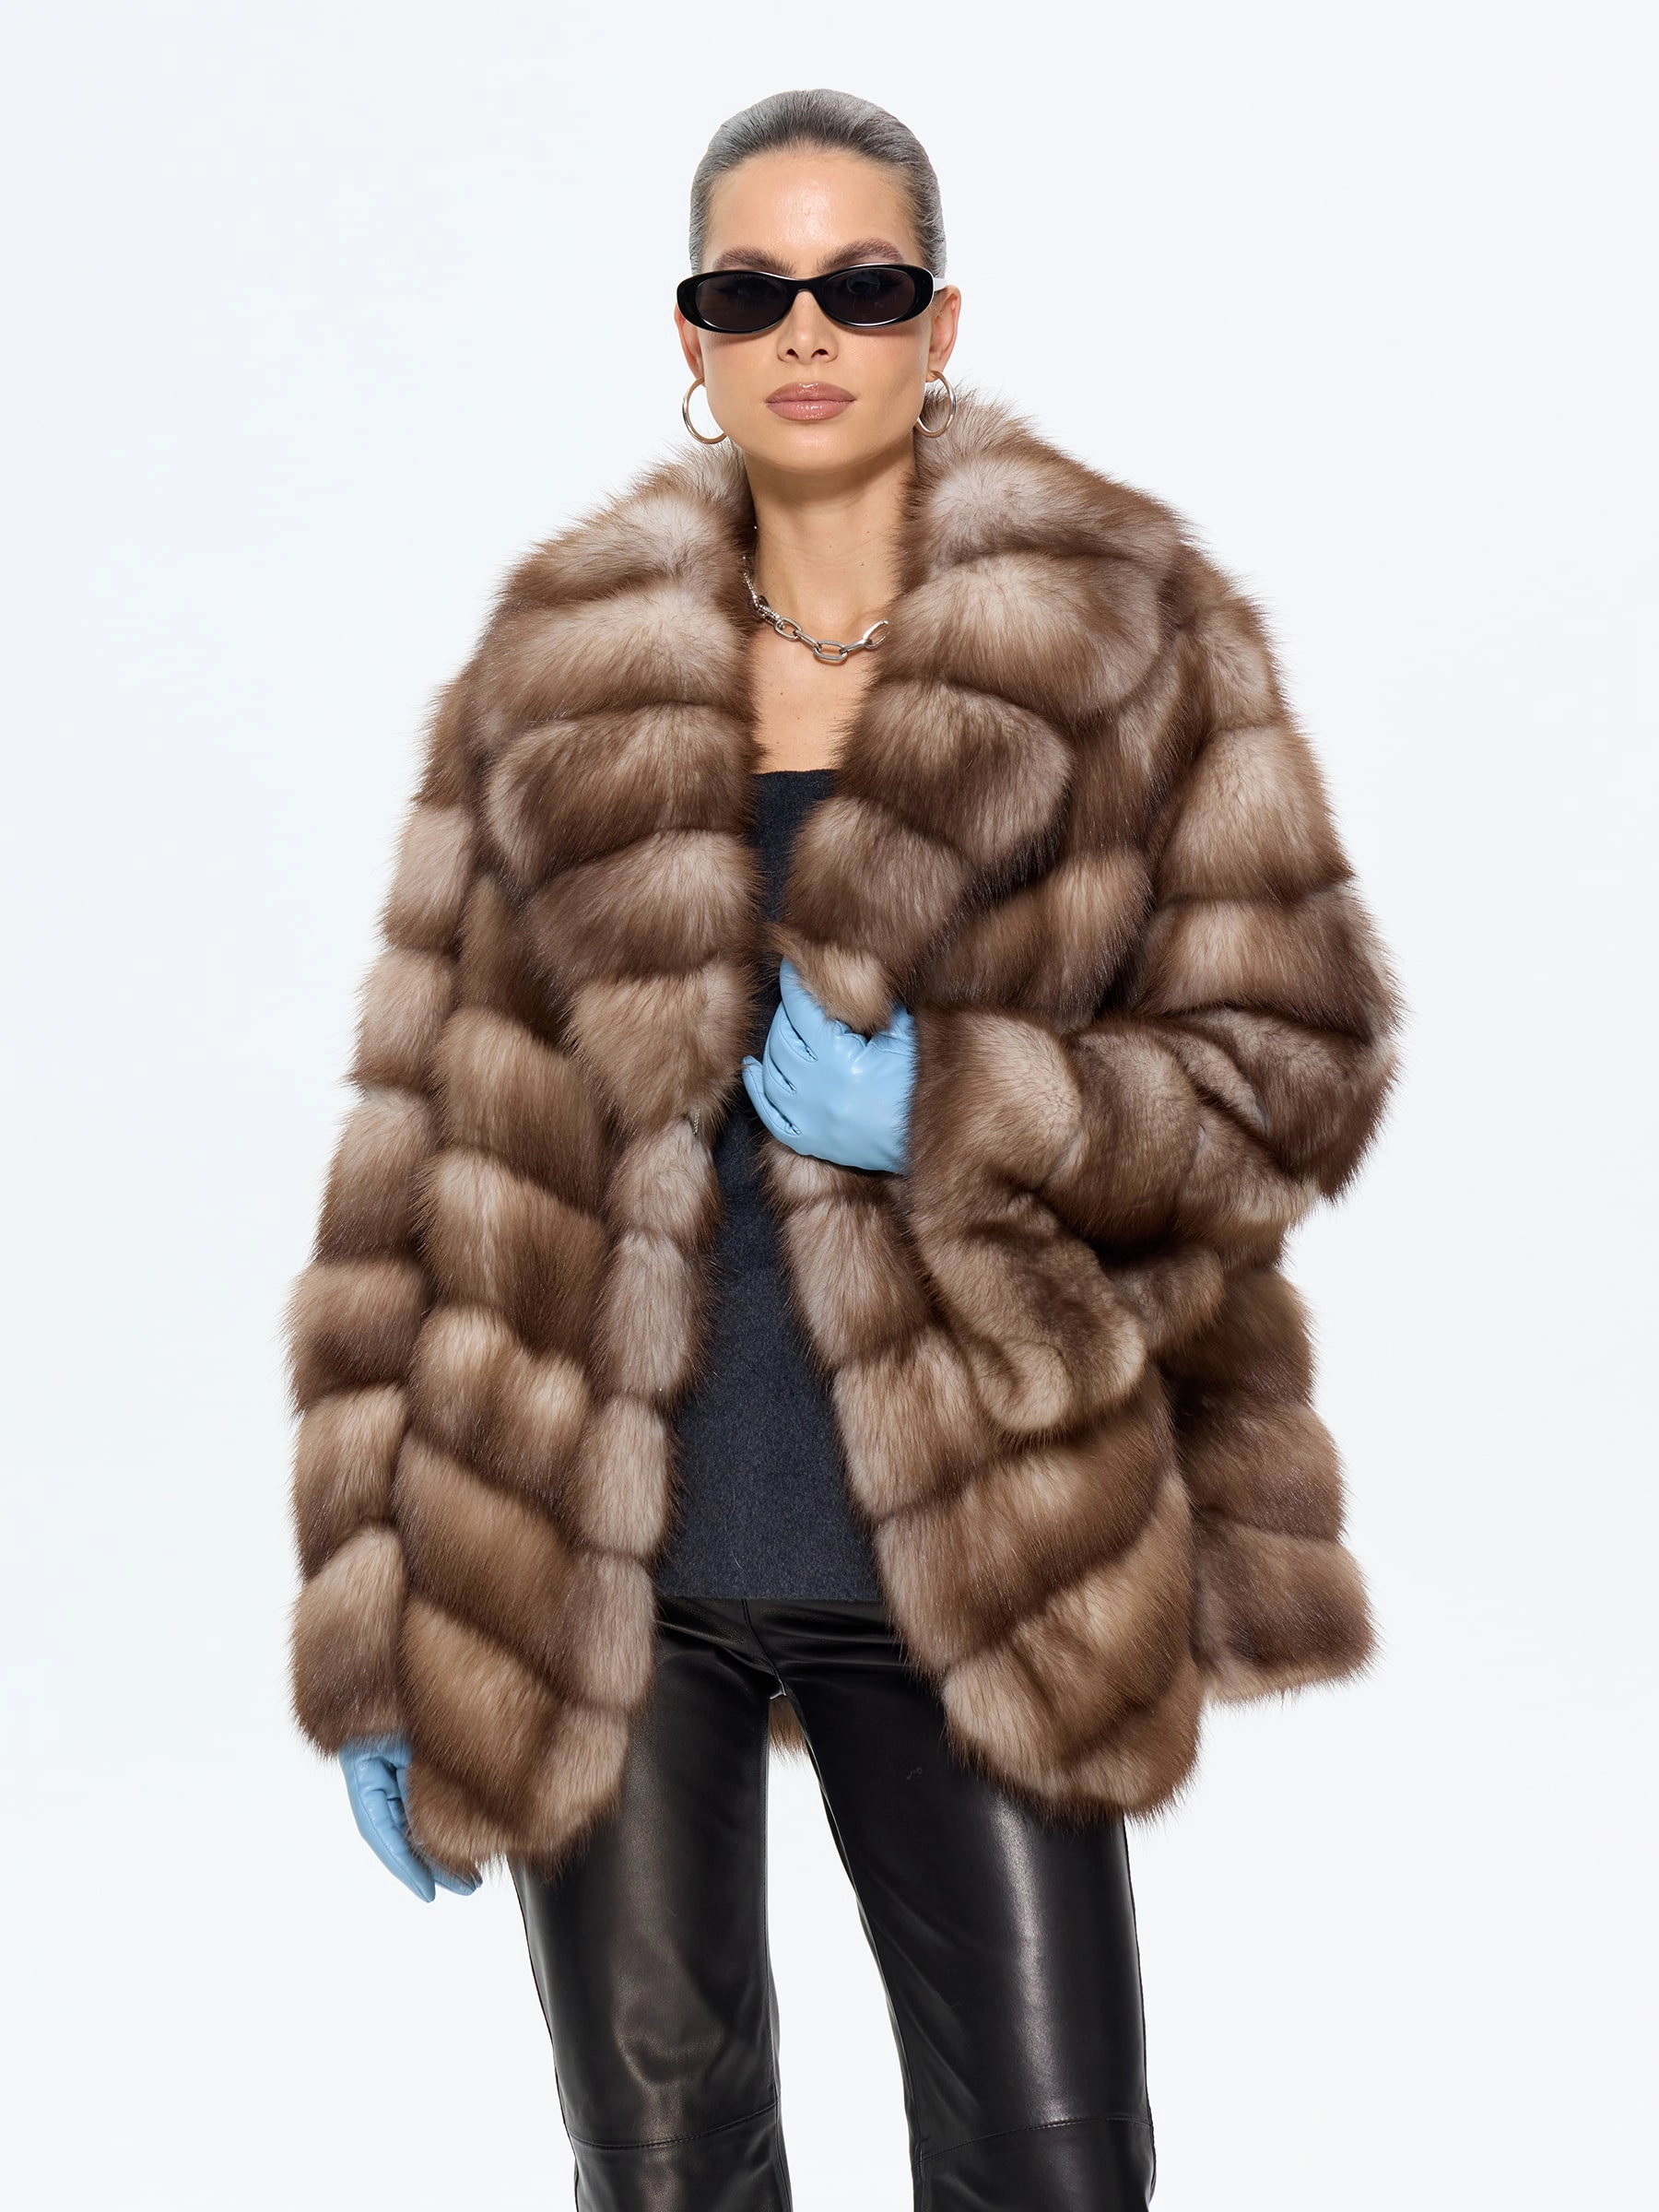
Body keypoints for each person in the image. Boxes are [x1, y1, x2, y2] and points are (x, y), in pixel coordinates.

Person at [288, 88, 1401, 2211]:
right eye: (753, 291)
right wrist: (375, 1613)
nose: (808, 331)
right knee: (661, 2161)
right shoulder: (550, 677)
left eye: (864, 286)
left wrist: (966, 1108)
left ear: (938, 323)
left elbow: (1299, 1064)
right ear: (691, 338)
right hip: (596, 1558)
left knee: (1050, 2160)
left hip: (982, 1528)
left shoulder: (1128, 638)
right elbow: (406, 1162)